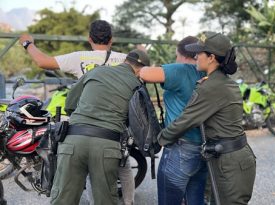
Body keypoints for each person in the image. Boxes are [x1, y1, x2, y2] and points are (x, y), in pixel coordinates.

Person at [19, 20, 135, 205]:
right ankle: (128, 202)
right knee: (121, 165)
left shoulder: (79, 57)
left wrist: (28, 43)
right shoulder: (126, 60)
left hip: (80, 127)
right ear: (111, 39)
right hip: (113, 129)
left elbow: (42, 62)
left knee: (80, 175)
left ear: (89, 38)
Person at [157, 32, 256, 205]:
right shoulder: (221, 82)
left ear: (211, 58)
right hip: (234, 157)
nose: (195, 57)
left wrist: (160, 139)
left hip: (229, 162)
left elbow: (185, 120)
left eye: (199, 53)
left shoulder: (210, 86)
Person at [50, 49, 150, 205]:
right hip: (107, 146)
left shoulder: (96, 71)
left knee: (63, 199)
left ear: (125, 60)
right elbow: (137, 122)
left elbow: (70, 103)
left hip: (74, 140)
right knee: (105, 200)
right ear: (141, 69)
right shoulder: (137, 85)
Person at [139, 36, 208, 205]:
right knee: (196, 199)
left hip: (181, 147)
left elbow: (144, 73)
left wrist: (141, 54)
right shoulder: (209, 73)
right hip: (204, 147)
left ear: (184, 55)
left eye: (177, 55)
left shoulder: (182, 69)